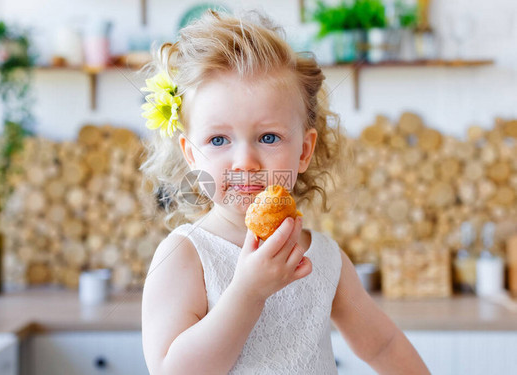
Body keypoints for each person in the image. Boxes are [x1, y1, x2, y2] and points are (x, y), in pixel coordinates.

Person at [140, 10, 430, 375]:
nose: (245, 161)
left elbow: (383, 345)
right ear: (190, 153)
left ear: (304, 151)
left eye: (268, 137)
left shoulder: (324, 259)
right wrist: (247, 293)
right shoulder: (185, 256)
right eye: (218, 139)